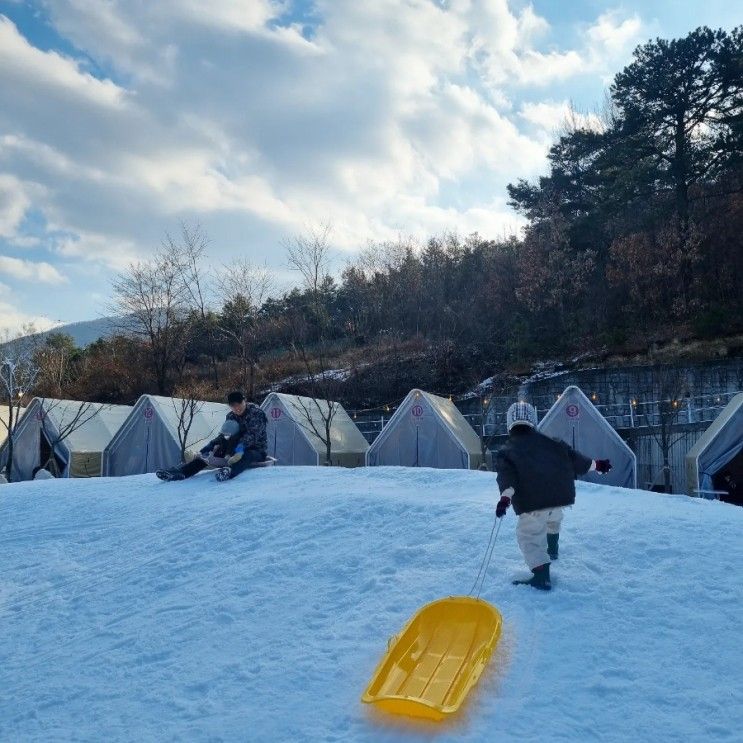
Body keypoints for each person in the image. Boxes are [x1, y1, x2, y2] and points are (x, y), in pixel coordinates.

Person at [494, 401, 612, 591]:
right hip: (558, 496)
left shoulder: (507, 451)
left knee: (529, 535)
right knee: (552, 518)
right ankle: (553, 549)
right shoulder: (551, 442)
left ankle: (541, 576)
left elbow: (507, 478)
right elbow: (574, 458)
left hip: (534, 501)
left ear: (510, 424)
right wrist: (597, 465)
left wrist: (505, 498)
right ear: (533, 421)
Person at [156, 418, 243, 481]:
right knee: (201, 461)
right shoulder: (222, 438)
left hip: (232, 462)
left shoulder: (240, 441)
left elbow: (241, 451)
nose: (225, 436)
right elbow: (212, 444)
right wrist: (199, 454)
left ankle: (228, 473)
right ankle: (180, 473)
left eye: (227, 435)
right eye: (223, 434)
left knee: (206, 460)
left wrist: (235, 457)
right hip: (221, 459)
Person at [214, 390, 268, 481]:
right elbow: (226, 434)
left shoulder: (256, 413)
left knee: (247, 455)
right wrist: (216, 446)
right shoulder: (230, 416)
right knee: (215, 449)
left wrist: (239, 450)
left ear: (245, 401)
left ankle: (229, 472)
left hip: (256, 449)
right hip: (235, 448)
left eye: (239, 404)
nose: (237, 408)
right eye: (233, 406)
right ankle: (185, 471)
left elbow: (252, 435)